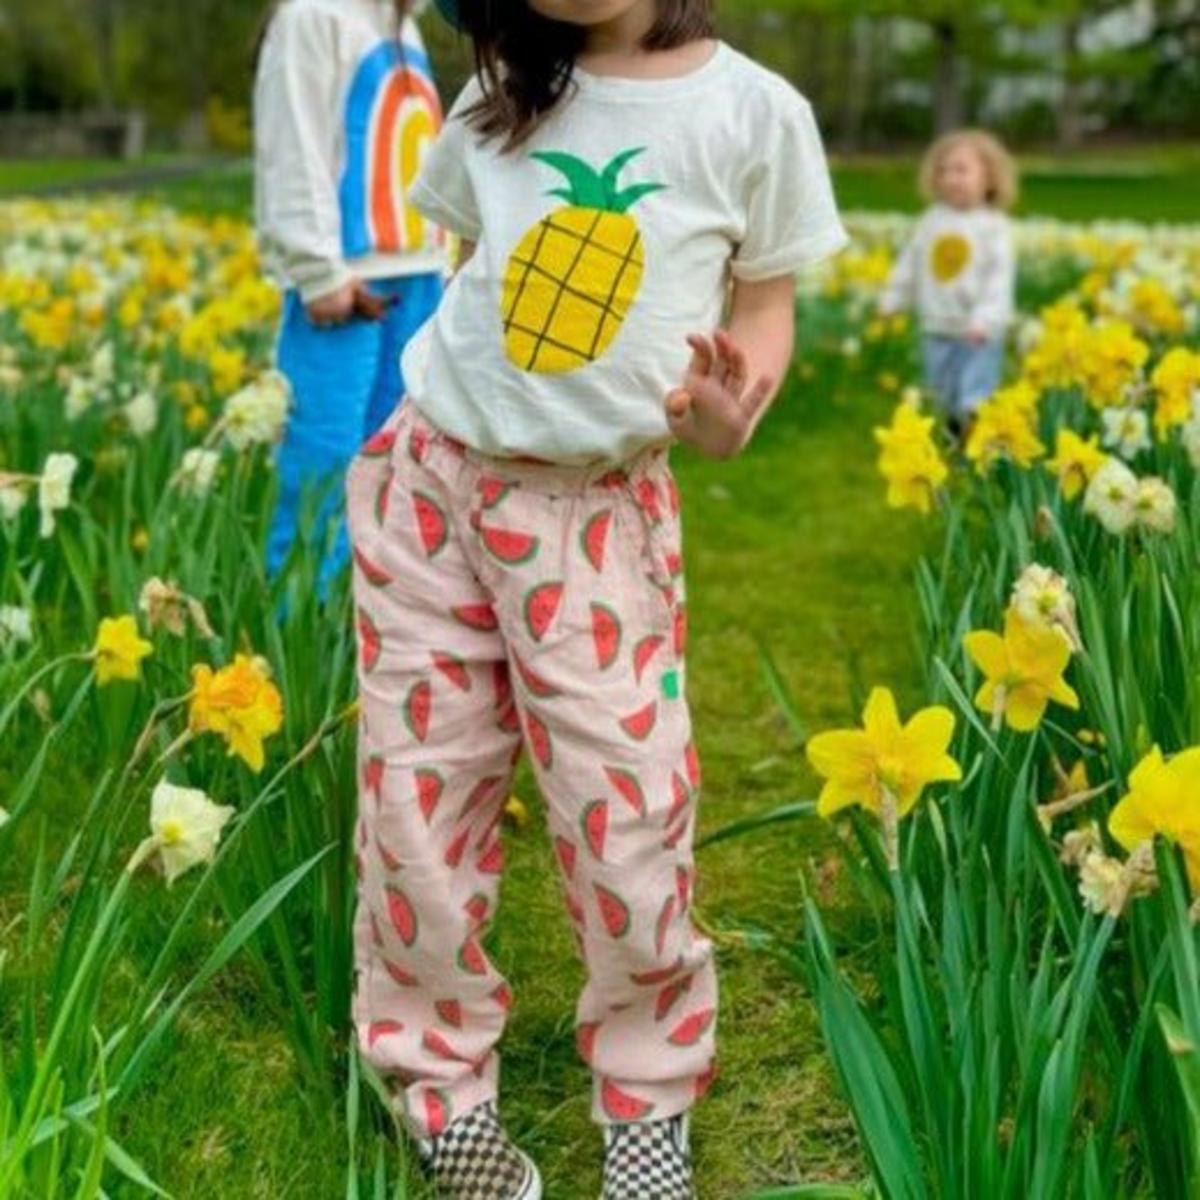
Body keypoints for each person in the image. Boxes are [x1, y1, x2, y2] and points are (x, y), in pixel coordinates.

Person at [345, 1, 848, 1196]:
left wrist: (729, 417)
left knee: (627, 816)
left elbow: (763, 305)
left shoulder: (753, 115)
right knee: (417, 795)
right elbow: (478, 275)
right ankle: (436, 1082)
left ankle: (648, 1092)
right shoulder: (501, 98)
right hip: (433, 482)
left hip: (595, 517)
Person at [253, 0, 446, 586]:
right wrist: (318, 271)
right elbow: (294, 146)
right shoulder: (314, 16)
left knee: (395, 463)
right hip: (347, 284)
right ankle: (298, 618)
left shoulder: (403, 24)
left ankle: (366, 614)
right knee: (324, 461)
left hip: (416, 275)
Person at [879, 129, 1018, 433]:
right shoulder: (931, 221)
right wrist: (893, 298)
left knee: (975, 395)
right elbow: (910, 264)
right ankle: (954, 437)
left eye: (961, 170)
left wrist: (985, 319)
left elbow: (998, 279)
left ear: (990, 177)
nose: (950, 178)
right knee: (943, 393)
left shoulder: (993, 226)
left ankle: (977, 438)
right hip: (937, 325)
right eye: (943, 171)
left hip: (978, 332)